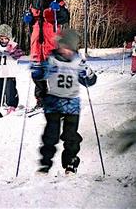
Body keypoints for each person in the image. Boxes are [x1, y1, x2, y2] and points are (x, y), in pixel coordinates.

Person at [31, 29, 97, 175]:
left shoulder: (78, 61)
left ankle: (71, 162)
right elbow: (39, 76)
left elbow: (89, 81)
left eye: (69, 48)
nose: (66, 51)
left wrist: (89, 75)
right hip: (53, 103)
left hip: (71, 105)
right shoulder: (51, 60)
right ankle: (45, 164)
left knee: (71, 136)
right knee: (50, 135)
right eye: (63, 47)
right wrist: (37, 73)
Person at [23, 0, 70, 109]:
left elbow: (65, 18)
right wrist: (28, 18)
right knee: (37, 73)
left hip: (52, 42)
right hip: (37, 44)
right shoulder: (34, 3)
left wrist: (59, 10)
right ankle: (41, 99)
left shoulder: (57, 1)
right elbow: (31, 20)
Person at [0, 24, 24, 114]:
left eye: (6, 39)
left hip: (10, 71)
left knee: (10, 88)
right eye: (1, 39)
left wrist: (11, 51)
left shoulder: (13, 45)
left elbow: (19, 54)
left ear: (9, 38)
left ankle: (12, 104)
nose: (3, 41)